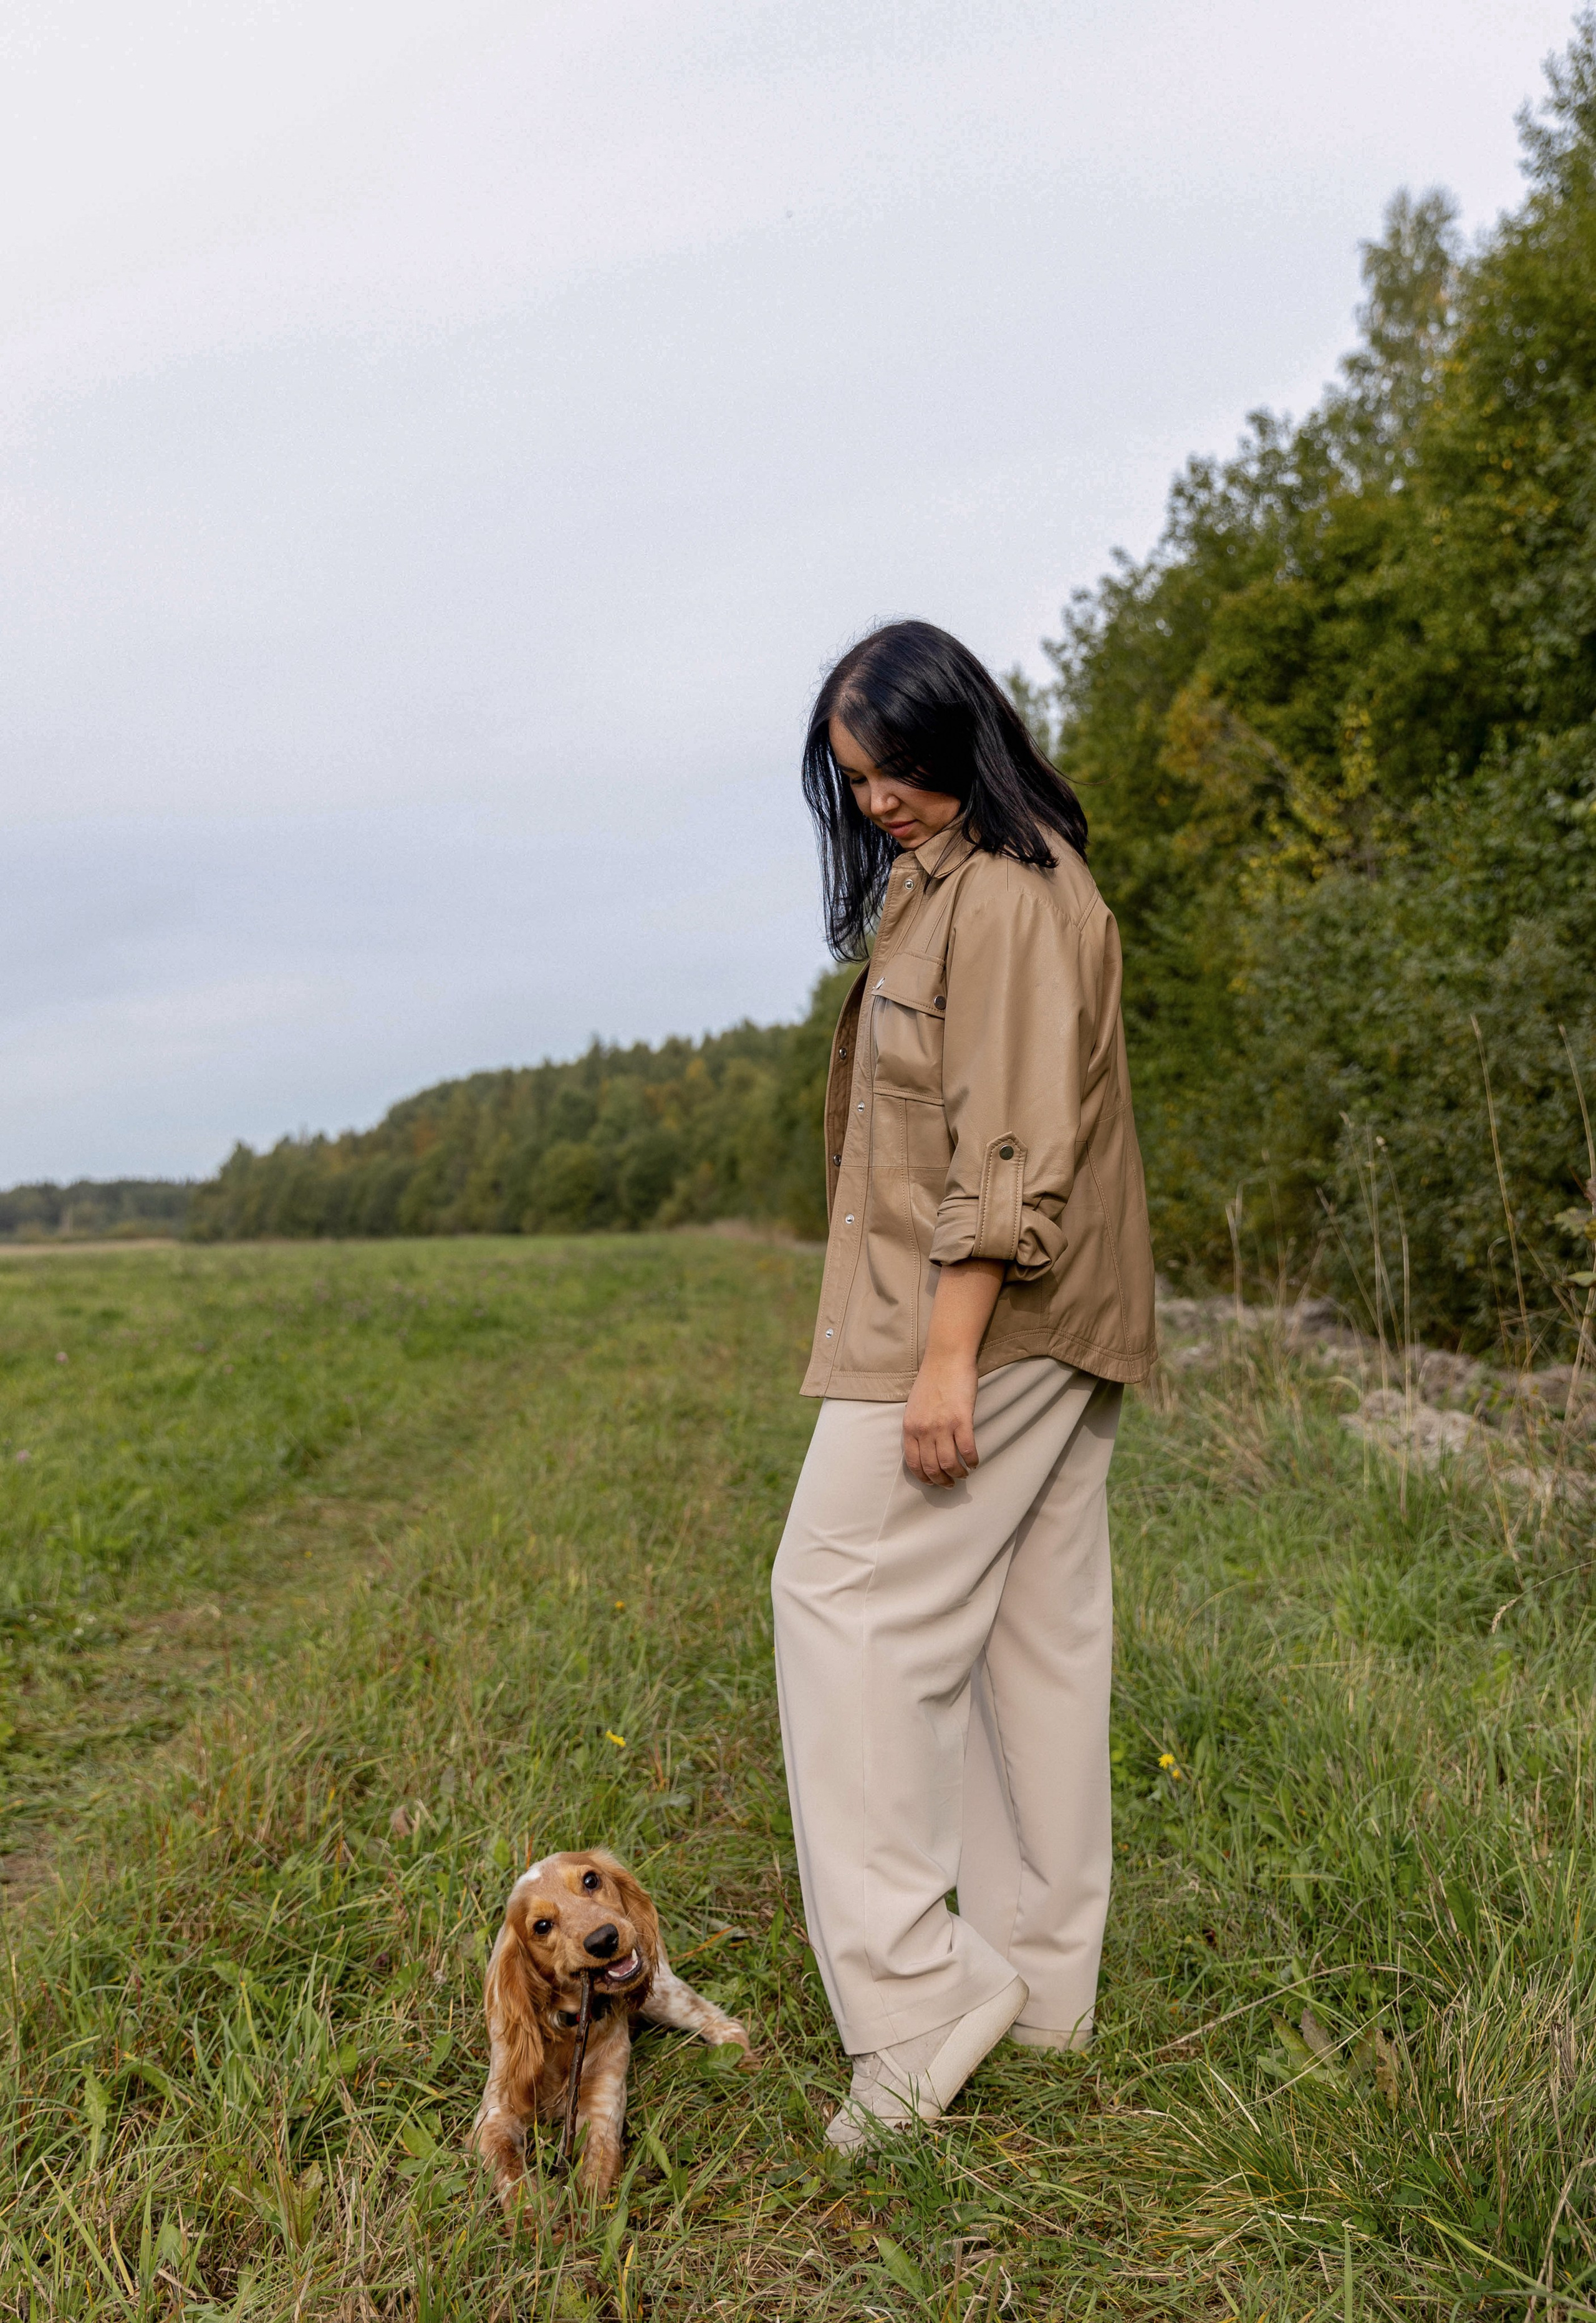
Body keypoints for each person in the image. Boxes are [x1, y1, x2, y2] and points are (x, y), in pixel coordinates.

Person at [771, 619, 1156, 2149]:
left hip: (983, 1319)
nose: (878, 804)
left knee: (838, 1599)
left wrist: (941, 1354)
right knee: (1029, 1641)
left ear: (960, 738)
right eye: (853, 782)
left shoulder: (1003, 897)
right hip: (1054, 1322)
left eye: (899, 771)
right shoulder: (994, 883)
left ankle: (922, 2000)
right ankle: (1044, 1994)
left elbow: (1005, 1152)